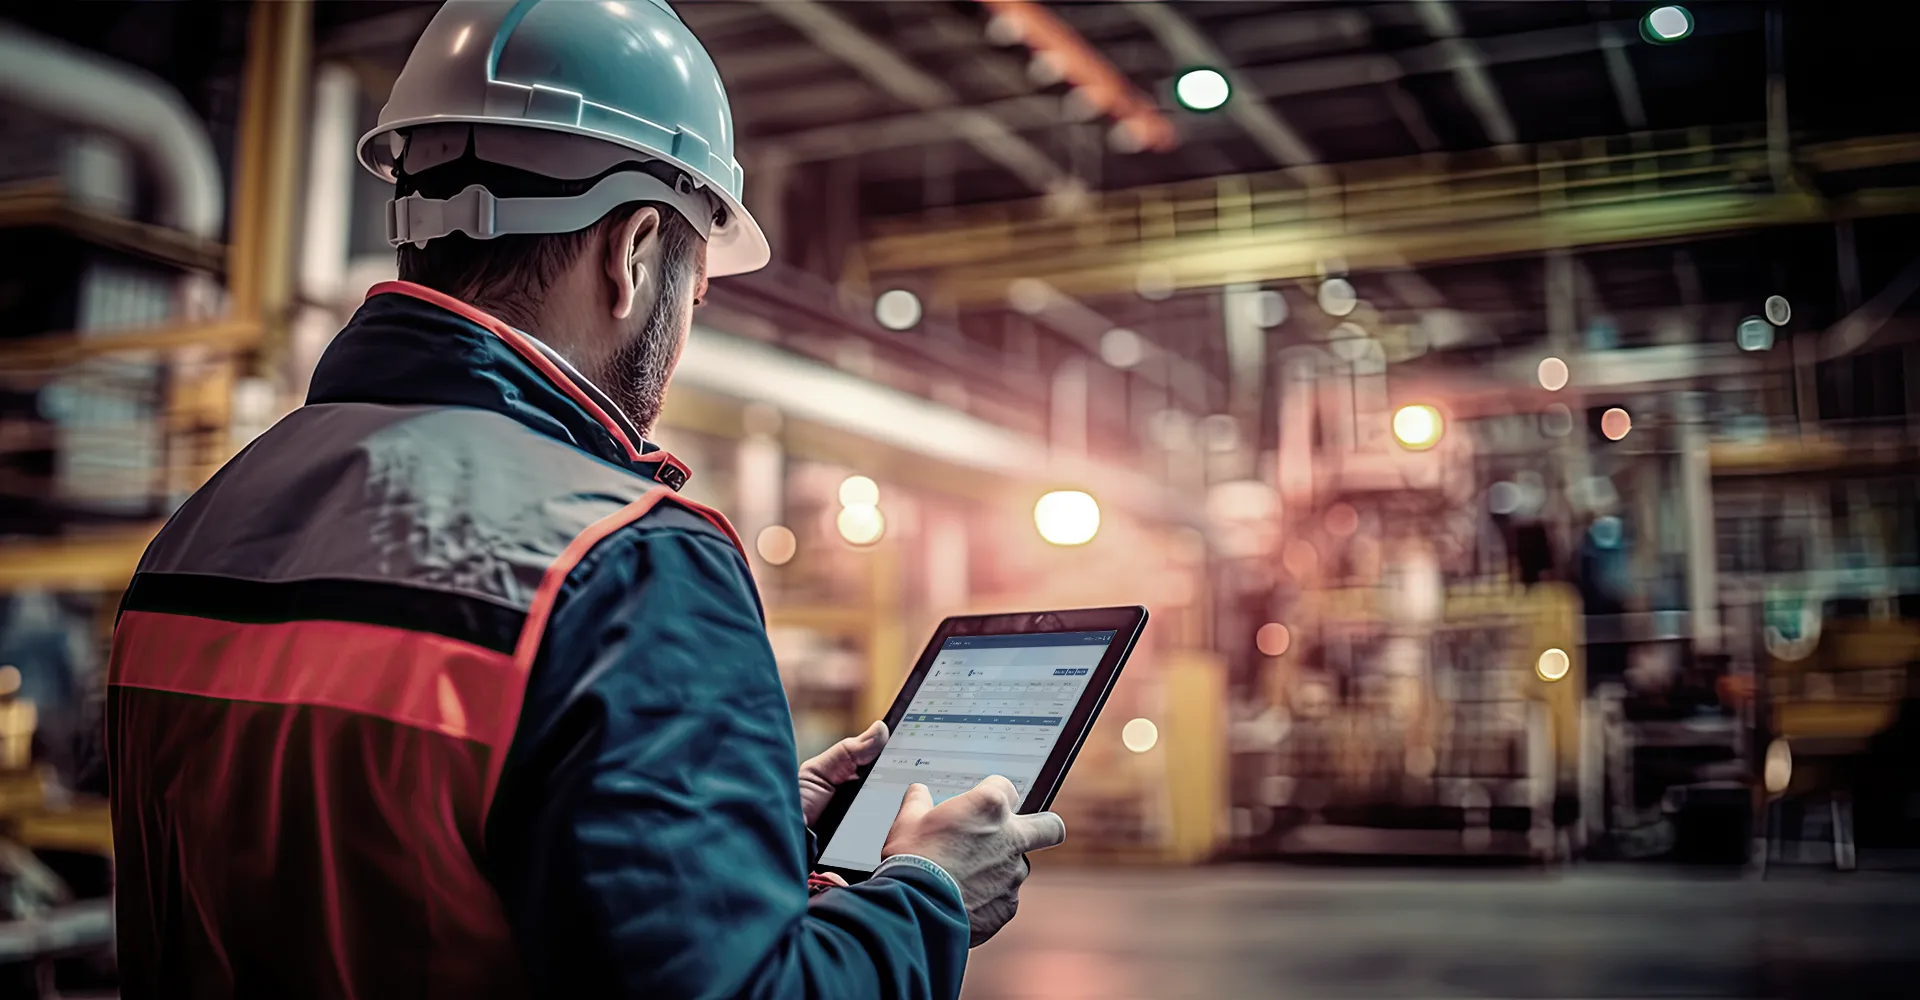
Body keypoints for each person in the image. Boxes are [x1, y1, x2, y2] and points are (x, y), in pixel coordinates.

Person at [103, 2, 1063, 997]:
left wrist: (747, 822)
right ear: (636, 249)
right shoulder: (623, 561)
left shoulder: (199, 525)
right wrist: (925, 896)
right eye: (694, 291)